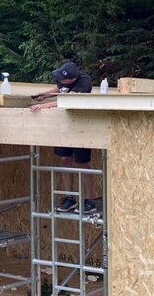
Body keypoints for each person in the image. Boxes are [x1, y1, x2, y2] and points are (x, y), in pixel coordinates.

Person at [29, 60, 101, 212]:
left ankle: (90, 199)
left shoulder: (84, 81)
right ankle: (69, 198)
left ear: (72, 78)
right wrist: (44, 94)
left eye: (63, 78)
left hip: (81, 127)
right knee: (64, 160)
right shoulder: (64, 81)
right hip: (64, 127)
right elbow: (59, 88)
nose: (60, 81)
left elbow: (69, 99)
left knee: (82, 163)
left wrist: (44, 105)